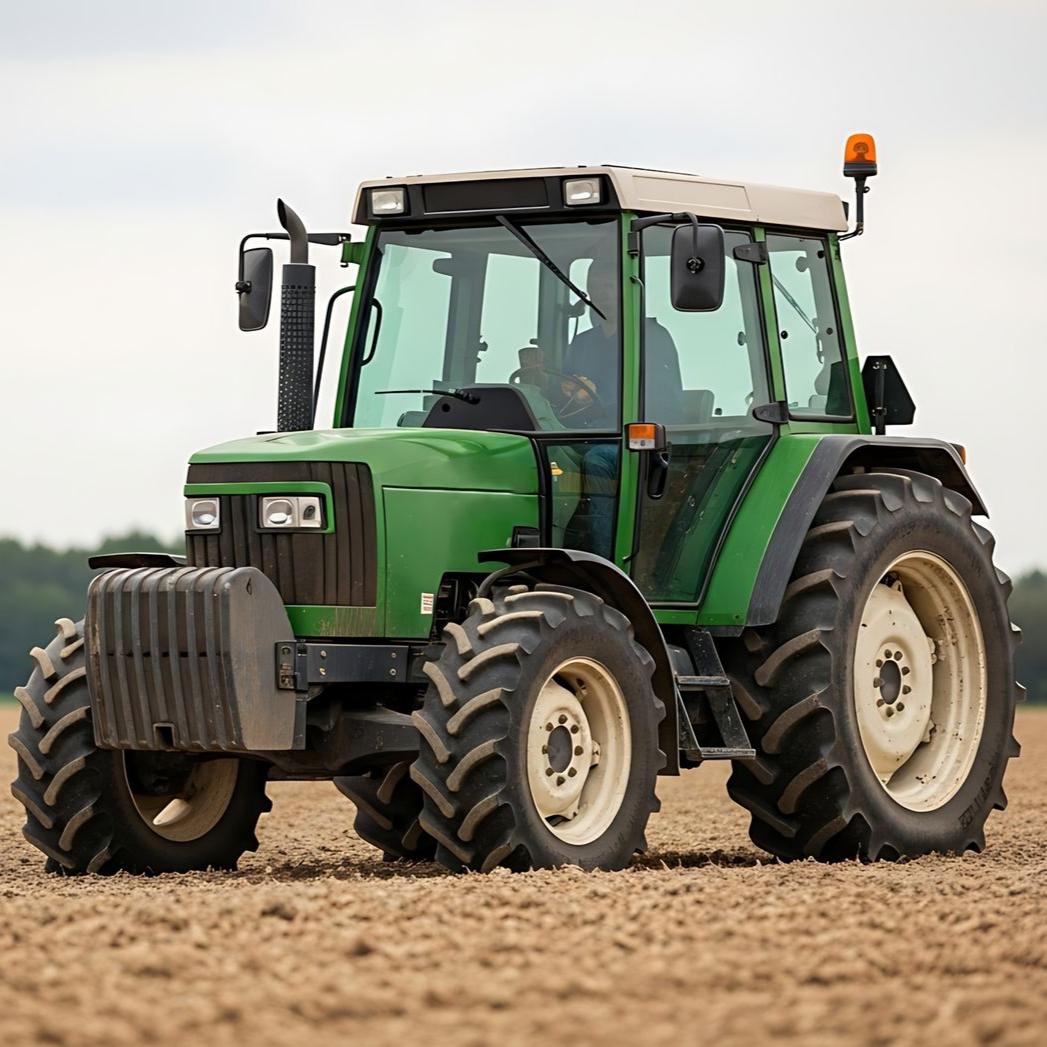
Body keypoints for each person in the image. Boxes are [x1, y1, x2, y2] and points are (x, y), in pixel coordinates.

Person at [560, 258, 684, 557]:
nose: (600, 293)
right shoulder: (582, 342)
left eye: (607, 285)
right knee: (546, 459)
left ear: (627, 290)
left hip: (639, 441)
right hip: (586, 434)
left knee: (599, 461)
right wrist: (565, 390)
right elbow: (565, 392)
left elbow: (661, 399)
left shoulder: (652, 338)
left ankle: (607, 559)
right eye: (594, 286)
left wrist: (596, 397)